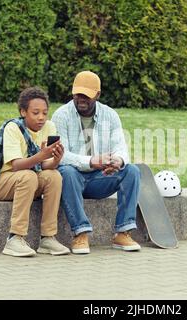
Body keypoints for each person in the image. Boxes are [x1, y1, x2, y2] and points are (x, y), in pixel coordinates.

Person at [51, 71, 141, 254]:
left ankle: (123, 232)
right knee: (66, 171)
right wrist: (91, 162)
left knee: (131, 171)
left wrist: (117, 160)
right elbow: (61, 155)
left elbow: (121, 148)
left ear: (98, 95)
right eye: (78, 94)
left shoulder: (111, 115)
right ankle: (80, 234)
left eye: (86, 95)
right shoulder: (61, 115)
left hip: (101, 177)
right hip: (73, 179)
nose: (81, 99)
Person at [0, 87, 70, 257]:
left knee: (54, 176)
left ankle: (48, 238)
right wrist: (41, 155)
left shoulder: (49, 127)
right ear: (23, 112)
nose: (41, 117)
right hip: (1, 183)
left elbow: (45, 166)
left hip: (28, 180)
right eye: (35, 113)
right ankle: (14, 239)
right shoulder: (13, 128)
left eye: (44, 112)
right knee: (28, 176)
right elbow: (16, 165)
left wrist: (56, 160)